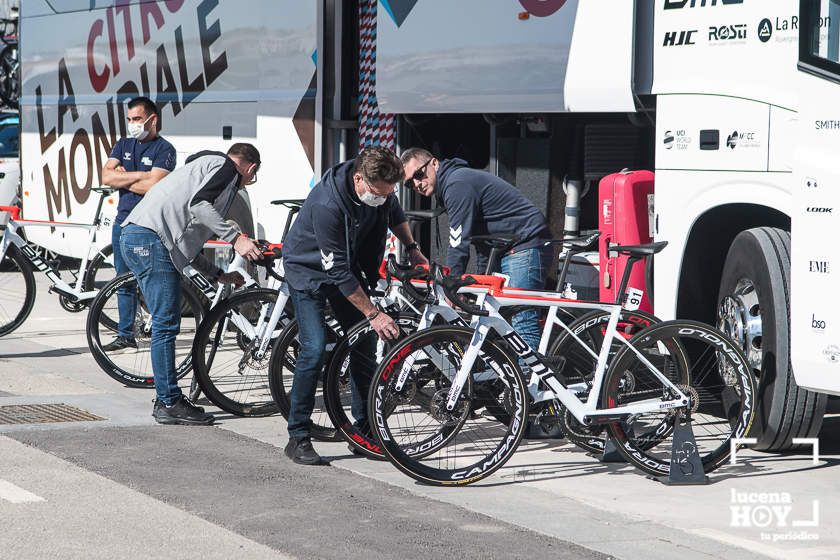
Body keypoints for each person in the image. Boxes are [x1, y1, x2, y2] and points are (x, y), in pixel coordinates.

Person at [282, 146, 428, 465]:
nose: (382, 198)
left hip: (347, 265)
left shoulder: (380, 186)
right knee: (314, 348)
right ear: (359, 179)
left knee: (364, 343)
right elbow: (336, 272)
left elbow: (394, 214)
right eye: (377, 193)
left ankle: (364, 431)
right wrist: (373, 313)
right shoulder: (327, 203)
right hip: (308, 270)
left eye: (387, 193)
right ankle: (298, 436)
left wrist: (412, 247)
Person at [120, 143, 263, 425]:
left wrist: (217, 274)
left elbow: (186, 240)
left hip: (137, 235)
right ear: (251, 169)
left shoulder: (198, 169)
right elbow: (198, 206)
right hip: (150, 239)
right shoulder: (227, 169)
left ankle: (168, 399)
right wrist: (236, 238)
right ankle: (169, 402)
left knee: (164, 322)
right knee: (165, 323)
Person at [401, 147, 551, 352]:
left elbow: (458, 240)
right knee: (495, 317)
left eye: (418, 174)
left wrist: (452, 282)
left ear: (434, 163)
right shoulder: (450, 184)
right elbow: (478, 239)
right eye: (410, 183)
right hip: (503, 247)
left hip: (524, 244)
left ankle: (531, 383)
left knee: (521, 321)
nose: (417, 184)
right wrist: (477, 279)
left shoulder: (457, 183)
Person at [100, 96, 176, 352]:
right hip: (122, 223)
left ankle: (158, 329)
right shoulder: (123, 144)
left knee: (149, 281)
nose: (132, 124)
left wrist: (124, 179)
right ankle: (125, 334)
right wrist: (141, 175)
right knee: (123, 281)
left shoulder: (164, 150)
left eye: (137, 119)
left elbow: (153, 186)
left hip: (148, 227)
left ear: (152, 120)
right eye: (129, 119)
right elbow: (106, 176)